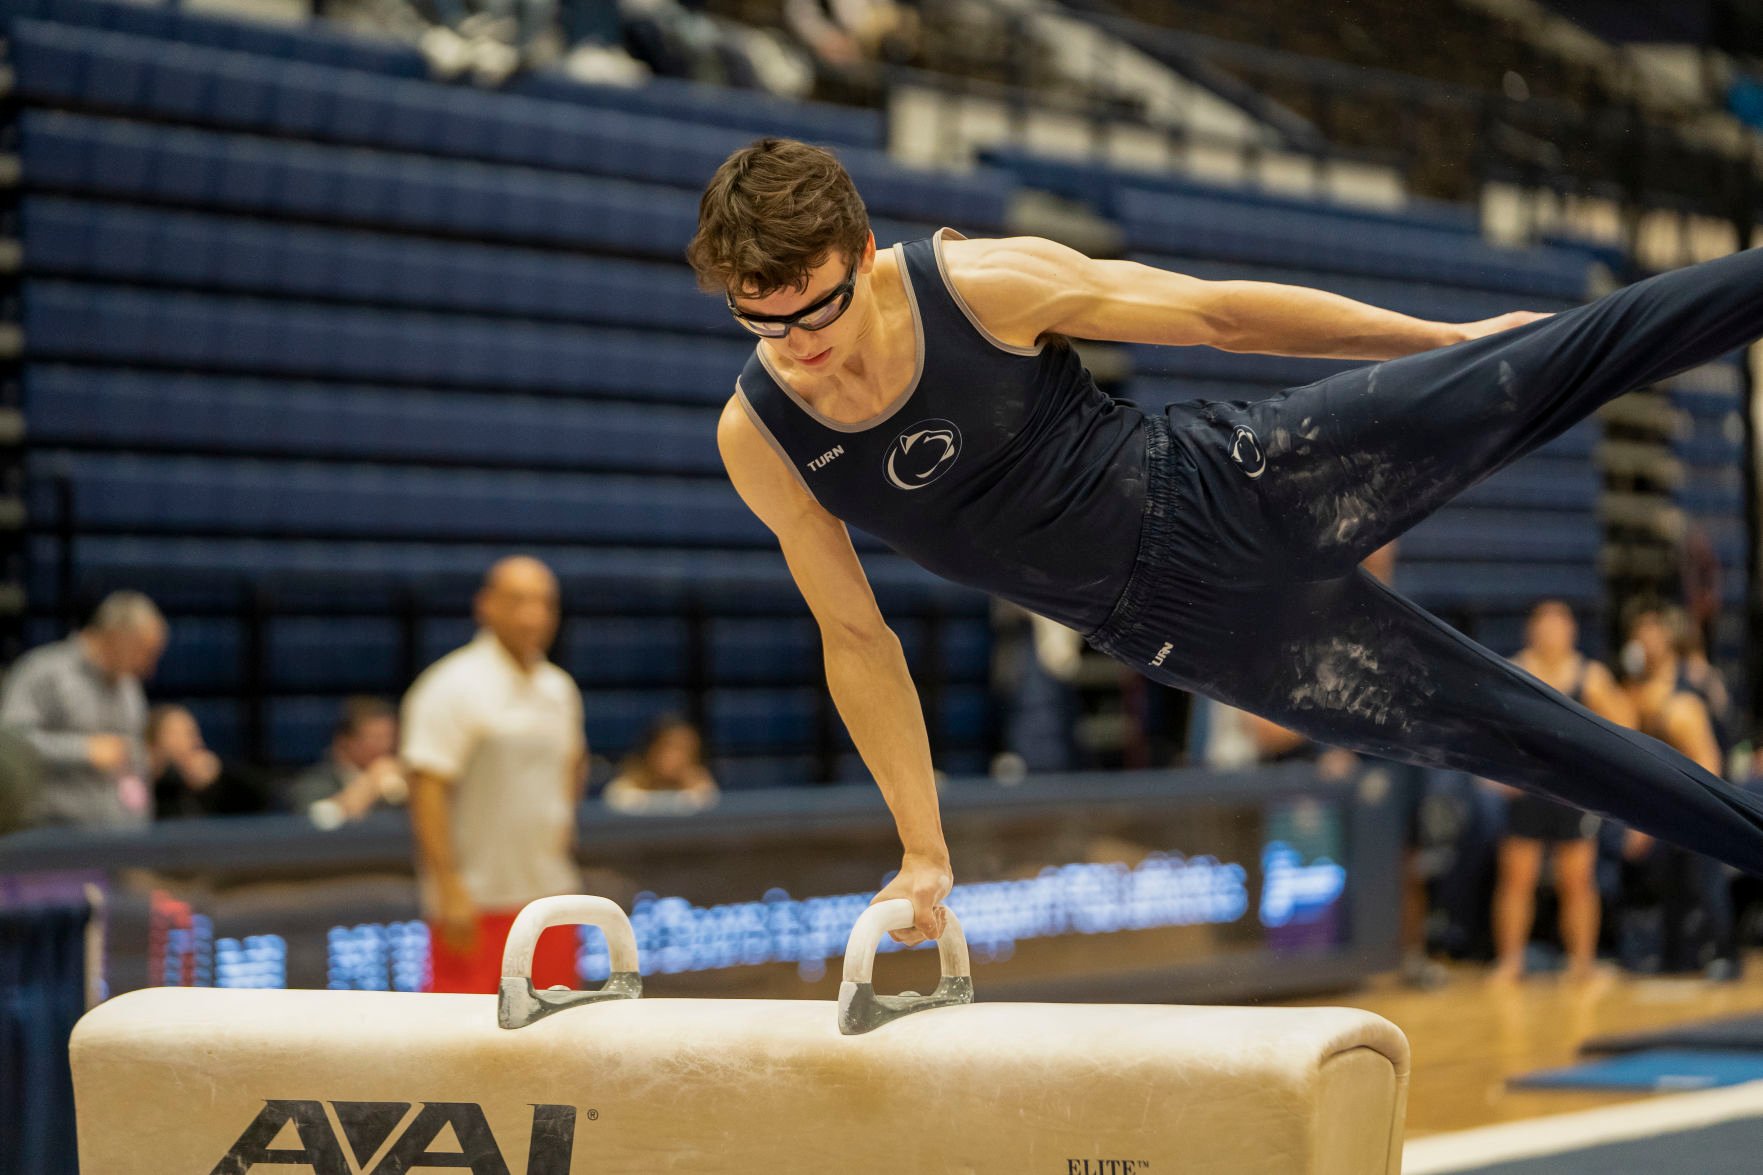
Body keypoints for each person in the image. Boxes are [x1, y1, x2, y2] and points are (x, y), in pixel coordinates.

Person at [692, 138, 1763, 948]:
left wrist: (1433, 343)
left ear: (863, 252)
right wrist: (923, 846)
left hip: (1240, 481)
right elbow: (855, 636)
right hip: (1199, 634)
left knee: (1541, 364)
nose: (801, 347)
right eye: (765, 324)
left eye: (817, 311)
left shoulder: (972, 285)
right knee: (1534, 742)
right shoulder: (762, 436)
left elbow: (1213, 315)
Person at [401, 556, 588, 993]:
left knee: (558, 1040)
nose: (534, 615)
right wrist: (448, 886)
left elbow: (572, 764)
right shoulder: (451, 685)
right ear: (485, 606)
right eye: (519, 601)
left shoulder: (559, 689)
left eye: (545, 603)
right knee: (467, 1046)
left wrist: (561, 826)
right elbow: (427, 787)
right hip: (477, 902)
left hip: (550, 895)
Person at [1489, 601, 1634, 984]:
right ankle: (1510, 961)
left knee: (1577, 880)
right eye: (1544, 626)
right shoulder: (1514, 671)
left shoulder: (1590, 676)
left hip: (1573, 792)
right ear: (1531, 631)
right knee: (1516, 878)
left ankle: (1581, 962)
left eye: (1558, 626)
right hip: (1529, 788)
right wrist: (1498, 771)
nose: (1551, 634)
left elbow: (1624, 727)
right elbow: (1490, 730)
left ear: (1570, 632)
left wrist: (1601, 775)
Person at [1618, 604, 1737, 976]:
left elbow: (1711, 750)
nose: (1647, 641)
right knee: (1672, 878)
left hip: (1704, 789)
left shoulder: (1694, 682)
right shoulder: (1639, 688)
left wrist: (1711, 804)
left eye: (1654, 632)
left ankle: (1724, 955)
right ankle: (1675, 957)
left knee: (1706, 875)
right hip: (1669, 793)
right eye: (1642, 634)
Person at [0, 591, 167, 829]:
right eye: (146, 653)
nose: (149, 669)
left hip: (117, 841)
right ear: (117, 636)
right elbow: (9, 745)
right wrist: (83, 750)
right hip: (49, 837)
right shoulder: (44, 671)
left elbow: (131, 758)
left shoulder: (129, 686)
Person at [286, 696, 407, 827]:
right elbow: (314, 828)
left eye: (393, 737)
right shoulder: (312, 784)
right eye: (376, 738)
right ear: (345, 741)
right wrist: (369, 784)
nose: (387, 745)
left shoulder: (404, 778)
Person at [148, 705, 276, 820]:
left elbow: (265, 795)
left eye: (193, 734)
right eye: (181, 734)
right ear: (154, 742)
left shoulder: (215, 783)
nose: (194, 742)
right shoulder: (148, 784)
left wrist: (220, 771)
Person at [602, 714, 720, 815]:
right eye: (670, 748)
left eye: (685, 751)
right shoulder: (622, 789)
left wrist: (698, 789)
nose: (677, 757)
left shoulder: (701, 787)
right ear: (651, 750)